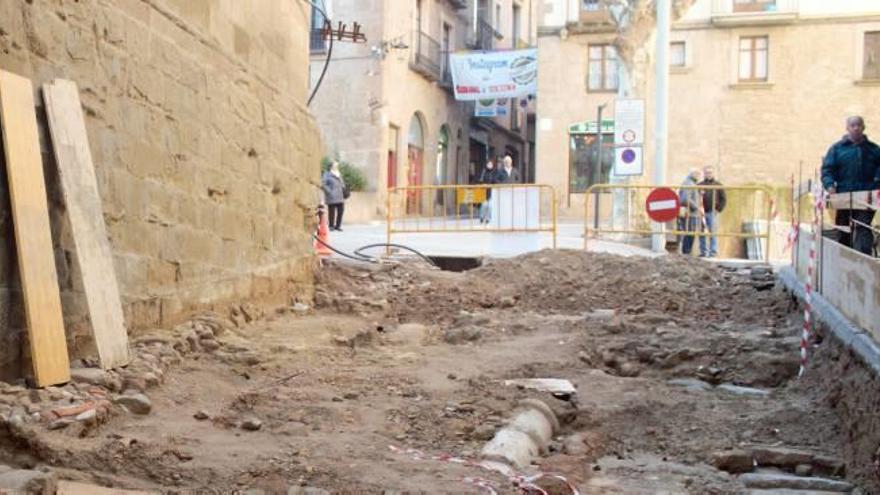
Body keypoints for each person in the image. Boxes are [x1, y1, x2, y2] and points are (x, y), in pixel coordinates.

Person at [821, 116, 880, 255]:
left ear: (863, 127)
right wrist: (829, 185)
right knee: (843, 229)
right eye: (852, 125)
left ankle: (864, 261)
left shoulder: (874, 150)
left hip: (867, 197)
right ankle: (843, 258)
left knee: (863, 228)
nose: (856, 128)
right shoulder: (836, 149)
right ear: (847, 128)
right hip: (843, 195)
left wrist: (877, 180)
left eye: (859, 125)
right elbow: (827, 170)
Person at [698, 166, 726, 258]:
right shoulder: (699, 185)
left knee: (712, 232)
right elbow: (695, 197)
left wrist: (718, 210)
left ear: (713, 174)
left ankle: (713, 252)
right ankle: (703, 252)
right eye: (706, 173)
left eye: (710, 173)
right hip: (701, 212)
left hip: (712, 212)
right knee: (701, 232)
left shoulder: (718, 185)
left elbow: (723, 199)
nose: (708, 174)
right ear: (704, 174)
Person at [678, 168, 702, 255]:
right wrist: (696, 207)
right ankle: (686, 254)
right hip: (690, 213)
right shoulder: (688, 183)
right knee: (689, 234)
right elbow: (685, 199)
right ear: (691, 174)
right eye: (696, 174)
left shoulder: (691, 183)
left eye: (699, 174)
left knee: (690, 234)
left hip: (692, 213)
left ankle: (687, 254)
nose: (698, 176)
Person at [321, 161, 347, 231]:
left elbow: (342, 183)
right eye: (335, 165)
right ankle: (331, 226)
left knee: (341, 211)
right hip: (332, 196)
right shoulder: (327, 174)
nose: (336, 167)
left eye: (337, 166)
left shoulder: (338, 173)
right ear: (331, 166)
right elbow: (323, 184)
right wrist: (330, 192)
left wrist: (344, 188)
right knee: (332, 211)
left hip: (340, 195)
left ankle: (338, 226)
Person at [478, 159, 498, 224]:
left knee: (490, 206)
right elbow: (480, 180)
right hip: (484, 191)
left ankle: (488, 219)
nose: (490, 165)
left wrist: (492, 184)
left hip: (491, 191)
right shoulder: (484, 171)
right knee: (484, 205)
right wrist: (483, 184)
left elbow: (496, 181)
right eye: (488, 164)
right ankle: (481, 217)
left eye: (491, 164)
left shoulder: (494, 172)